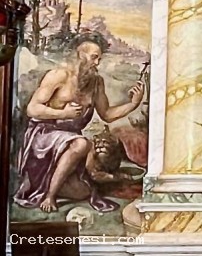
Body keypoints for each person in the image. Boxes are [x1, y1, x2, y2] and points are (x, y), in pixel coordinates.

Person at [15, 36, 145, 213]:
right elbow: (32, 109)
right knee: (82, 143)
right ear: (79, 55)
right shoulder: (58, 76)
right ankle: (49, 196)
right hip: (44, 137)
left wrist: (133, 104)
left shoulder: (96, 82)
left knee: (82, 192)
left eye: (99, 58)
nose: (97, 63)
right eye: (94, 57)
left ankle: (49, 181)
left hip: (70, 143)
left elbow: (107, 114)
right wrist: (63, 114)